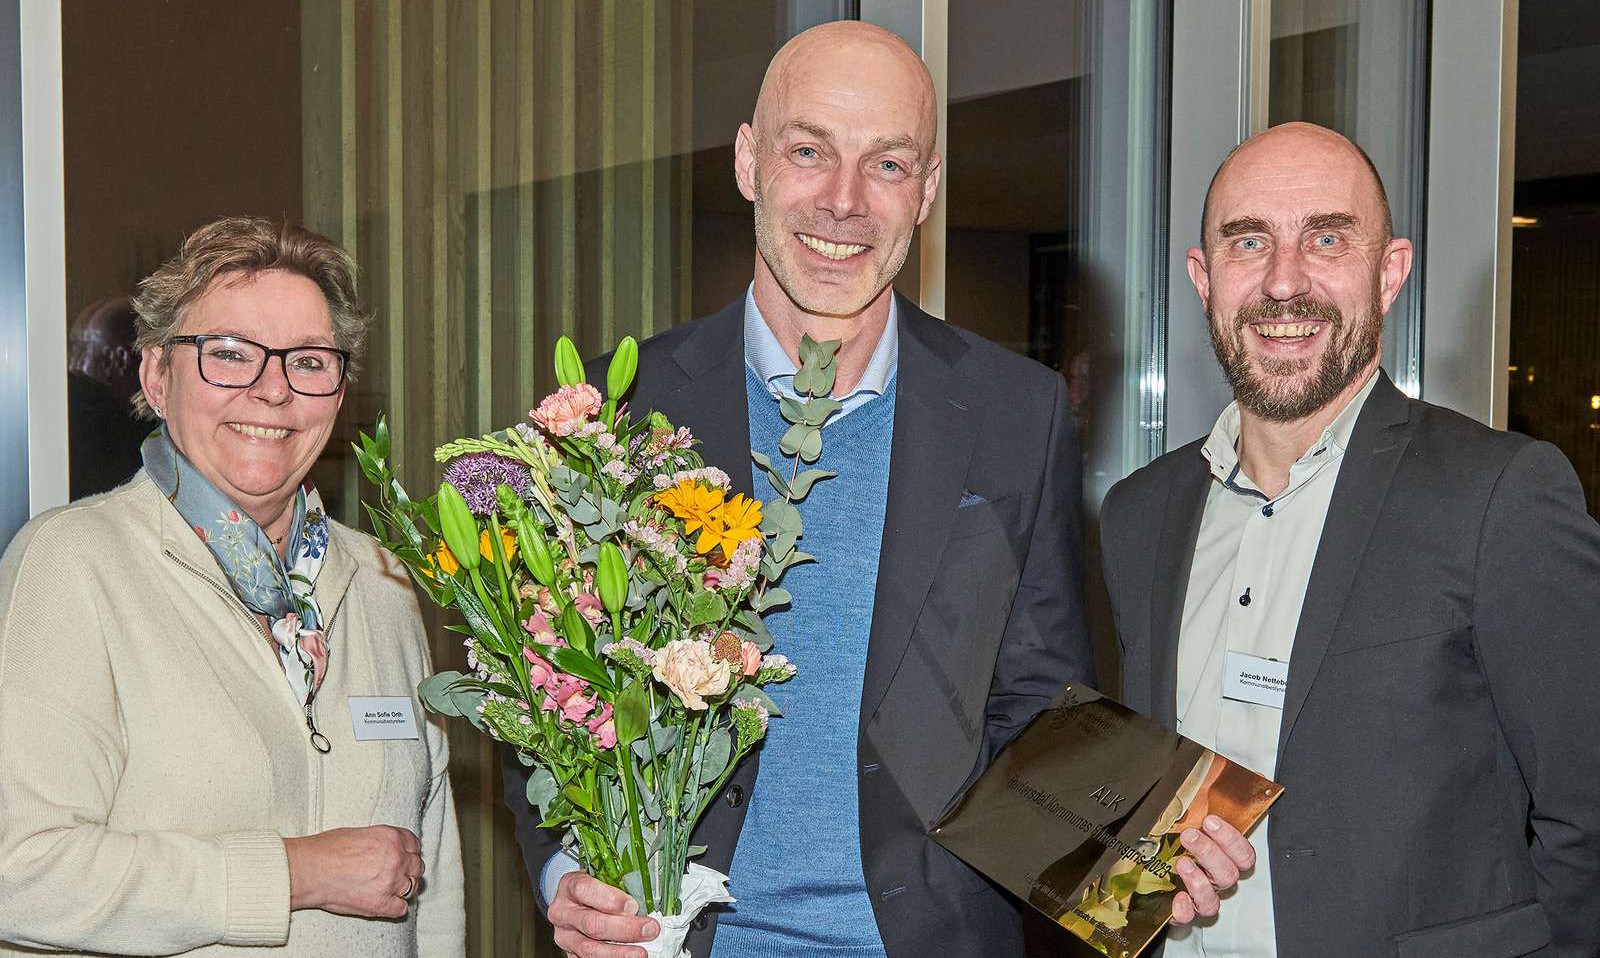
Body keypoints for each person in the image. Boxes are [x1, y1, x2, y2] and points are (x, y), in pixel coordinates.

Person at [505, 22, 1252, 958]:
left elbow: (1033, 704)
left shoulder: (1015, 412)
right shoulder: (620, 408)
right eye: (809, 152)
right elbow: (548, 695)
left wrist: (1145, 858)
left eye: (887, 164)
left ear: (927, 189)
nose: (845, 201)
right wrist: (563, 876)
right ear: (747, 161)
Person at [1101, 121, 1600, 957]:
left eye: (1326, 239)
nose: (1283, 282)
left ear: (1389, 273)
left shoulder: (1500, 496)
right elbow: (1140, 793)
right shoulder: (1138, 515)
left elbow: (1585, 815)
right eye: (1248, 242)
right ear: (1203, 278)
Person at [0, 216, 465, 957]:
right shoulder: (74, 565)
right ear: (157, 377)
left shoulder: (383, 582)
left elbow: (431, 885)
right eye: (229, 354)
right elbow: (21, 874)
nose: (272, 390)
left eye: (308, 361)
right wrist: (294, 874)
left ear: (338, 393)